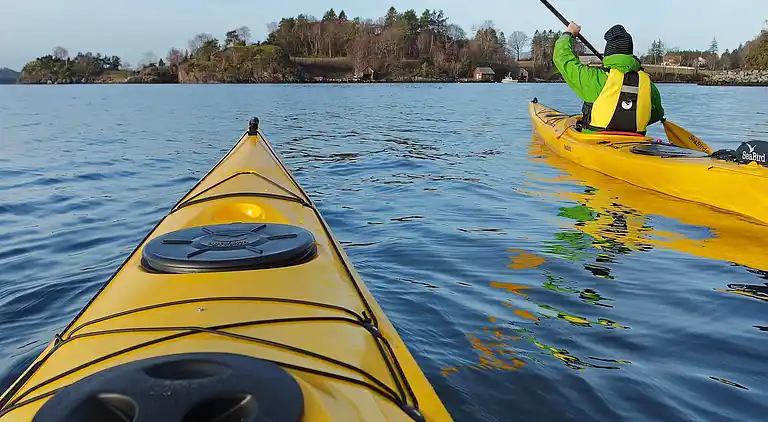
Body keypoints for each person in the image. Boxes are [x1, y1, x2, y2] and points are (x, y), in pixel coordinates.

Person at [553, 22, 665, 134]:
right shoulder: (648, 84)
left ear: (608, 54)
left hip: (596, 141)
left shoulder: (596, 79)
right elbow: (657, 114)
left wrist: (569, 33)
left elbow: (562, 58)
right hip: (636, 141)